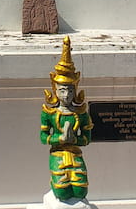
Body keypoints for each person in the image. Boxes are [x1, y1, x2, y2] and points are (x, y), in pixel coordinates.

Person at [40, 36, 93, 202]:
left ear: (75, 90)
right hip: (58, 153)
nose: (67, 95)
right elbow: (43, 137)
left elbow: (87, 138)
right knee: (62, 192)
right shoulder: (49, 112)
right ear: (55, 89)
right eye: (62, 90)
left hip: (75, 153)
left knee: (80, 191)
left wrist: (75, 139)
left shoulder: (80, 112)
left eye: (70, 90)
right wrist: (59, 138)